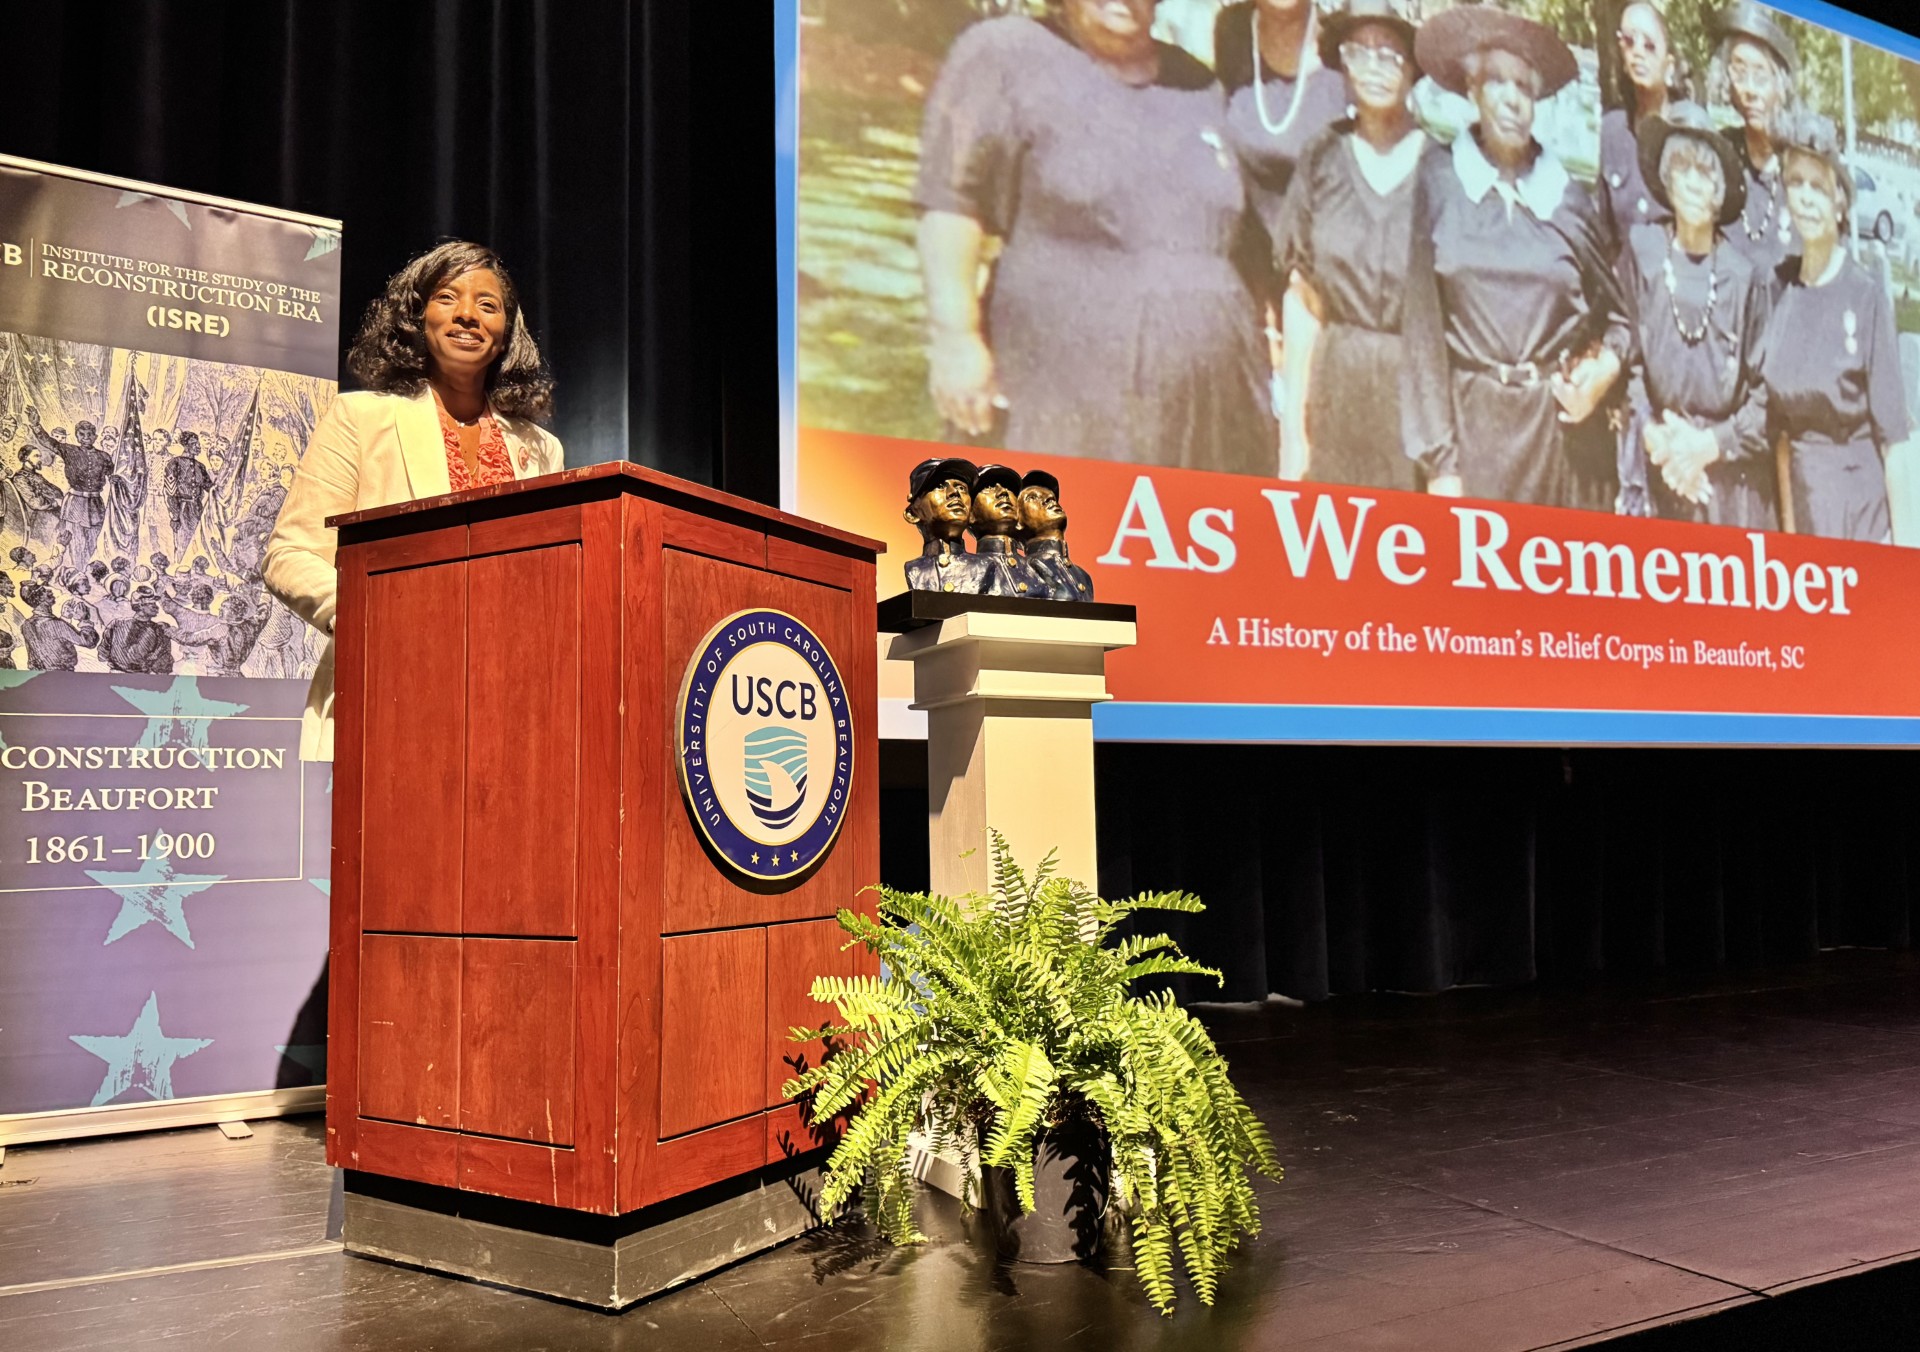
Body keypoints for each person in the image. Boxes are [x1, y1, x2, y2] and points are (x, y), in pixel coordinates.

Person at [914, 0, 1275, 475]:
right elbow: (950, 202)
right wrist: (956, 338)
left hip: (1207, 408)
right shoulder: (1004, 53)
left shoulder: (1198, 84)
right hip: (1061, 391)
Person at [263, 240, 563, 759]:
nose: (468, 315)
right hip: (388, 691)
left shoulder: (541, 448)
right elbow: (289, 553)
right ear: (416, 316)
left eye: (488, 306)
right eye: (448, 298)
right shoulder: (360, 419)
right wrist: (375, 620)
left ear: (506, 335)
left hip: (510, 709)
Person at [1402, 5, 1632, 509]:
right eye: (1497, 82)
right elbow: (1420, 334)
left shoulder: (1566, 196)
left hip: (1562, 443)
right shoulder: (1437, 183)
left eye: (1524, 87)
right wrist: (1440, 466)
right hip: (1474, 436)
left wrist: (1602, 374)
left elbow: (1619, 319)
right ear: (1472, 89)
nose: (1511, 100)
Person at [1273, 0, 1429, 490]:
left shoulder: (1442, 169)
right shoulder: (1321, 156)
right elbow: (1302, 303)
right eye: (1359, 53)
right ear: (1342, 66)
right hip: (1335, 391)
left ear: (1413, 70)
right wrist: (1294, 437)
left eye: (1391, 54)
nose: (1375, 67)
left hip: (1415, 401)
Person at [1620, 109, 1774, 528]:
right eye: (1681, 167)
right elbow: (1628, 360)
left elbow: (1765, 398)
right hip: (1659, 468)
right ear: (1667, 178)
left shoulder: (1744, 277)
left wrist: (1708, 445)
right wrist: (1655, 436)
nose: (1691, 181)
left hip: (1724, 480)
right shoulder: (1644, 250)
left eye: (1704, 172)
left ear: (1719, 189)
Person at [1762, 113, 1909, 541]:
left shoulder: (1866, 297)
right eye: (1796, 182)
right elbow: (1783, 437)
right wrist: (1790, 529)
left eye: (1818, 187)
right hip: (1804, 509)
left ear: (1840, 202)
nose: (1806, 198)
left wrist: (1906, 552)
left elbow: (1895, 442)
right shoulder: (1778, 287)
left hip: (1860, 515)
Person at [1707, 1, 1801, 281]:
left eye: (1760, 74)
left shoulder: (1801, 165)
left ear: (1781, 84)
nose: (1749, 89)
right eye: (1739, 73)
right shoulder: (1719, 154)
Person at [1599, 1, 1698, 256]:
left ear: (1669, 65)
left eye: (1650, 45)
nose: (1638, 52)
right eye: (1630, 41)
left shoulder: (1688, 132)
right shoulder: (1613, 130)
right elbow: (1605, 231)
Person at [24, 410, 113, 571]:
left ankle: (88, 573)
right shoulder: (69, 451)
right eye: (81, 434)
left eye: (89, 434)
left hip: (96, 505)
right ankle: (76, 573)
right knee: (75, 542)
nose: (86, 437)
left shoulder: (105, 456)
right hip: (75, 503)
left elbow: (113, 474)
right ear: (77, 436)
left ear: (95, 436)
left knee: (94, 541)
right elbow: (50, 443)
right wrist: (36, 425)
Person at [19, 581, 98, 671]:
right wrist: (84, 619)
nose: (50, 591)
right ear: (39, 599)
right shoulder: (57, 624)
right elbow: (88, 642)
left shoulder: (26, 625)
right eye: (44, 591)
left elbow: (54, 640)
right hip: (62, 674)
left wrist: (65, 617)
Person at [164, 432, 214, 557]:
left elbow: (210, 488)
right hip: (182, 509)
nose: (197, 446)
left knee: (197, 543)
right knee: (182, 544)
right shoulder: (173, 464)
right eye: (193, 444)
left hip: (197, 509)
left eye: (198, 443)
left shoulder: (200, 466)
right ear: (185, 445)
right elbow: (170, 492)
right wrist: (175, 516)